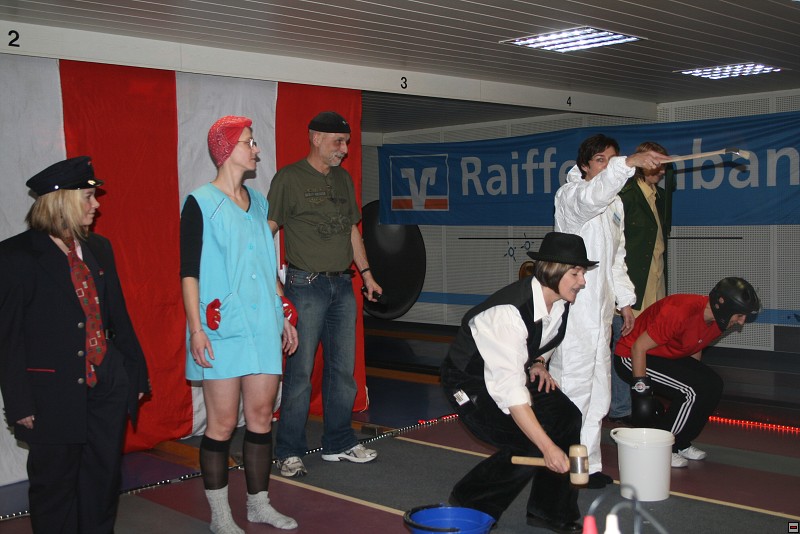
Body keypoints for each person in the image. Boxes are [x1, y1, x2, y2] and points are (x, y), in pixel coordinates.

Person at [0, 156, 150, 533]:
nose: (96, 204)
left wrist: (134, 374)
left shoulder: (99, 247)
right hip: (50, 394)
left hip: (106, 386)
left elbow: (118, 316)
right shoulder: (15, 256)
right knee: (55, 488)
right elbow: (9, 337)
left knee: (102, 483)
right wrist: (19, 402)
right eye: (87, 197)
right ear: (62, 200)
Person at [181, 116, 298, 532]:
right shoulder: (199, 202)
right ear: (227, 149)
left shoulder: (260, 204)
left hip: (263, 322)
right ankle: (220, 514)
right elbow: (189, 272)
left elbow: (265, 264)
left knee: (262, 417)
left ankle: (258, 504)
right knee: (223, 423)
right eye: (249, 142)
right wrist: (196, 328)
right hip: (221, 328)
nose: (256, 149)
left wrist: (283, 311)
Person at [441, 232, 597, 534]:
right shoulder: (508, 314)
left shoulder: (559, 301)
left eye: (583, 273)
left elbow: (545, 338)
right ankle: (471, 501)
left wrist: (539, 362)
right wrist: (548, 448)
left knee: (567, 417)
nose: (583, 282)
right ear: (553, 271)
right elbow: (512, 395)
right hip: (469, 381)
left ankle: (550, 510)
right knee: (530, 441)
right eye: (576, 273)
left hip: (511, 368)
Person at [550, 134, 670, 488]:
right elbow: (593, 197)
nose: (606, 166)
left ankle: (587, 466)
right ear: (584, 165)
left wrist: (625, 301)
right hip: (574, 314)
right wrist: (628, 163)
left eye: (612, 159)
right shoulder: (571, 196)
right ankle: (562, 466)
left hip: (601, 314)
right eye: (600, 160)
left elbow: (616, 259)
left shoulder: (615, 204)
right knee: (573, 391)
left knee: (599, 395)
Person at [268, 111, 382, 478]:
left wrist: (367, 275)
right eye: (338, 142)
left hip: (342, 286)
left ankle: (339, 443)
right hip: (305, 285)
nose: (345, 150)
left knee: (343, 371)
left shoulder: (343, 180)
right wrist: (273, 286)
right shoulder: (289, 178)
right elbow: (266, 231)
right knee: (300, 372)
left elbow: (352, 230)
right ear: (316, 138)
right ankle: (288, 451)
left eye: (346, 142)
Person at [613, 277, 760, 468]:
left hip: (663, 354)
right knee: (690, 390)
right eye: (739, 315)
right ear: (724, 307)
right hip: (631, 356)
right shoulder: (679, 311)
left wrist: (693, 377)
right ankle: (662, 448)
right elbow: (638, 348)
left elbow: (693, 346)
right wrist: (641, 393)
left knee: (712, 384)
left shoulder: (718, 321)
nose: (741, 322)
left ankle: (681, 442)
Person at [608, 141, 675, 424]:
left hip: (654, 284)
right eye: (656, 164)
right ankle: (621, 407)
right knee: (623, 346)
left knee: (645, 346)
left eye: (664, 165)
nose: (661, 170)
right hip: (630, 286)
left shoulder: (660, 197)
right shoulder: (625, 194)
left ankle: (641, 400)